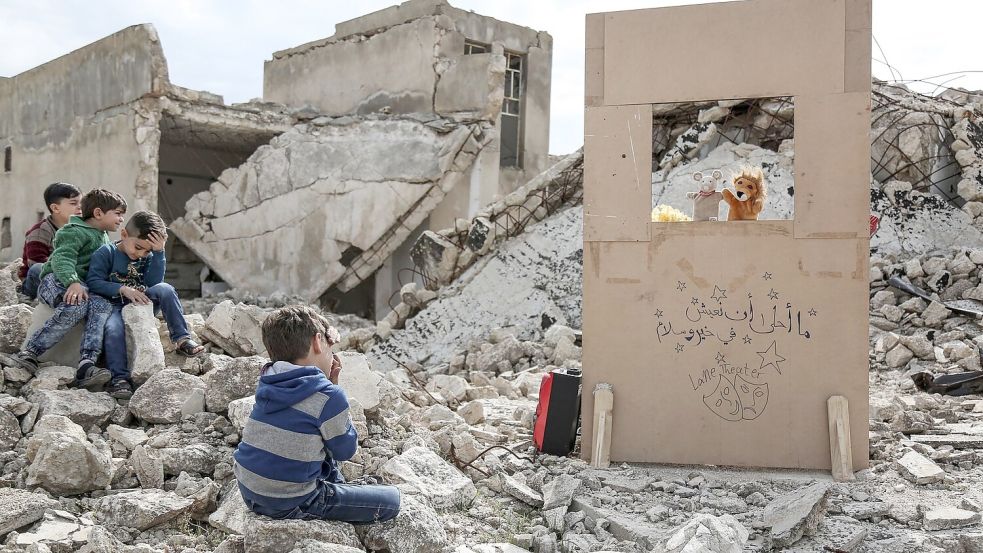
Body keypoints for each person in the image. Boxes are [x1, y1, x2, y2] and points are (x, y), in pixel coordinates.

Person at [233, 305, 401, 523]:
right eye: (331, 345)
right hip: (294, 501)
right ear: (317, 341)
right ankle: (333, 495)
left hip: (251, 493)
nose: (333, 353)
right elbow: (344, 451)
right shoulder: (328, 397)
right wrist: (335, 391)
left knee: (315, 433)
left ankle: (336, 487)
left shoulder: (269, 381)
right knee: (392, 500)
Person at [0, 189, 126, 390]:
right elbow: (62, 259)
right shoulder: (72, 231)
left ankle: (86, 364)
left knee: (101, 307)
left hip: (82, 287)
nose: (121, 219)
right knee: (76, 306)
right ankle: (31, 351)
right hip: (56, 282)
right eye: (118, 213)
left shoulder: (103, 237)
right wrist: (72, 282)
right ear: (99, 213)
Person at [86, 210, 205, 399]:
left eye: (148, 250)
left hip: (142, 304)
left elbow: (154, 283)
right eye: (138, 247)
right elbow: (93, 282)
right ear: (124, 234)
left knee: (165, 288)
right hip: (115, 306)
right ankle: (119, 378)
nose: (141, 254)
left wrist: (158, 254)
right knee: (113, 328)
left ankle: (182, 339)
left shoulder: (149, 256)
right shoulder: (106, 253)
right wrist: (122, 289)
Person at [18, 182, 82, 299]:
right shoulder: (40, 231)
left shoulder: (80, 230)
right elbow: (35, 263)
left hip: (70, 277)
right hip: (38, 282)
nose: (80, 207)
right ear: (55, 208)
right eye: (74, 203)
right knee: (38, 268)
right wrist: (67, 270)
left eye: (81, 203)